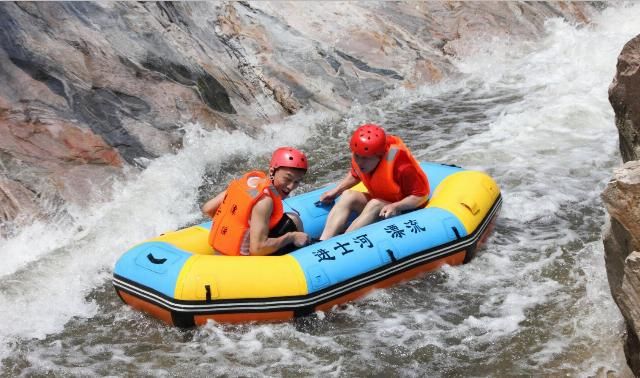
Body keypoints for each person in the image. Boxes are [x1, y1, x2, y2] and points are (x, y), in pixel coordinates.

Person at [319, 124, 429, 240]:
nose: (360, 162)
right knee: (348, 195)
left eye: (365, 158)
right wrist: (336, 191)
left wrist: (396, 206)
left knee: (375, 203)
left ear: (380, 156)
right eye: (357, 156)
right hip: (383, 202)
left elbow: (420, 196)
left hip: (405, 210)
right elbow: (356, 174)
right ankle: (324, 241)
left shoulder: (402, 167)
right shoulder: (362, 156)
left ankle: (344, 241)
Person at [203, 147, 310, 256]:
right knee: (293, 221)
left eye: (297, 182)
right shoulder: (265, 201)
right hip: (241, 261)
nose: (290, 186)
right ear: (272, 171)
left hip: (219, 251)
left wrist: (234, 226)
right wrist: (291, 237)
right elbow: (258, 249)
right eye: (287, 178)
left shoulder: (248, 184)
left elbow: (208, 208)